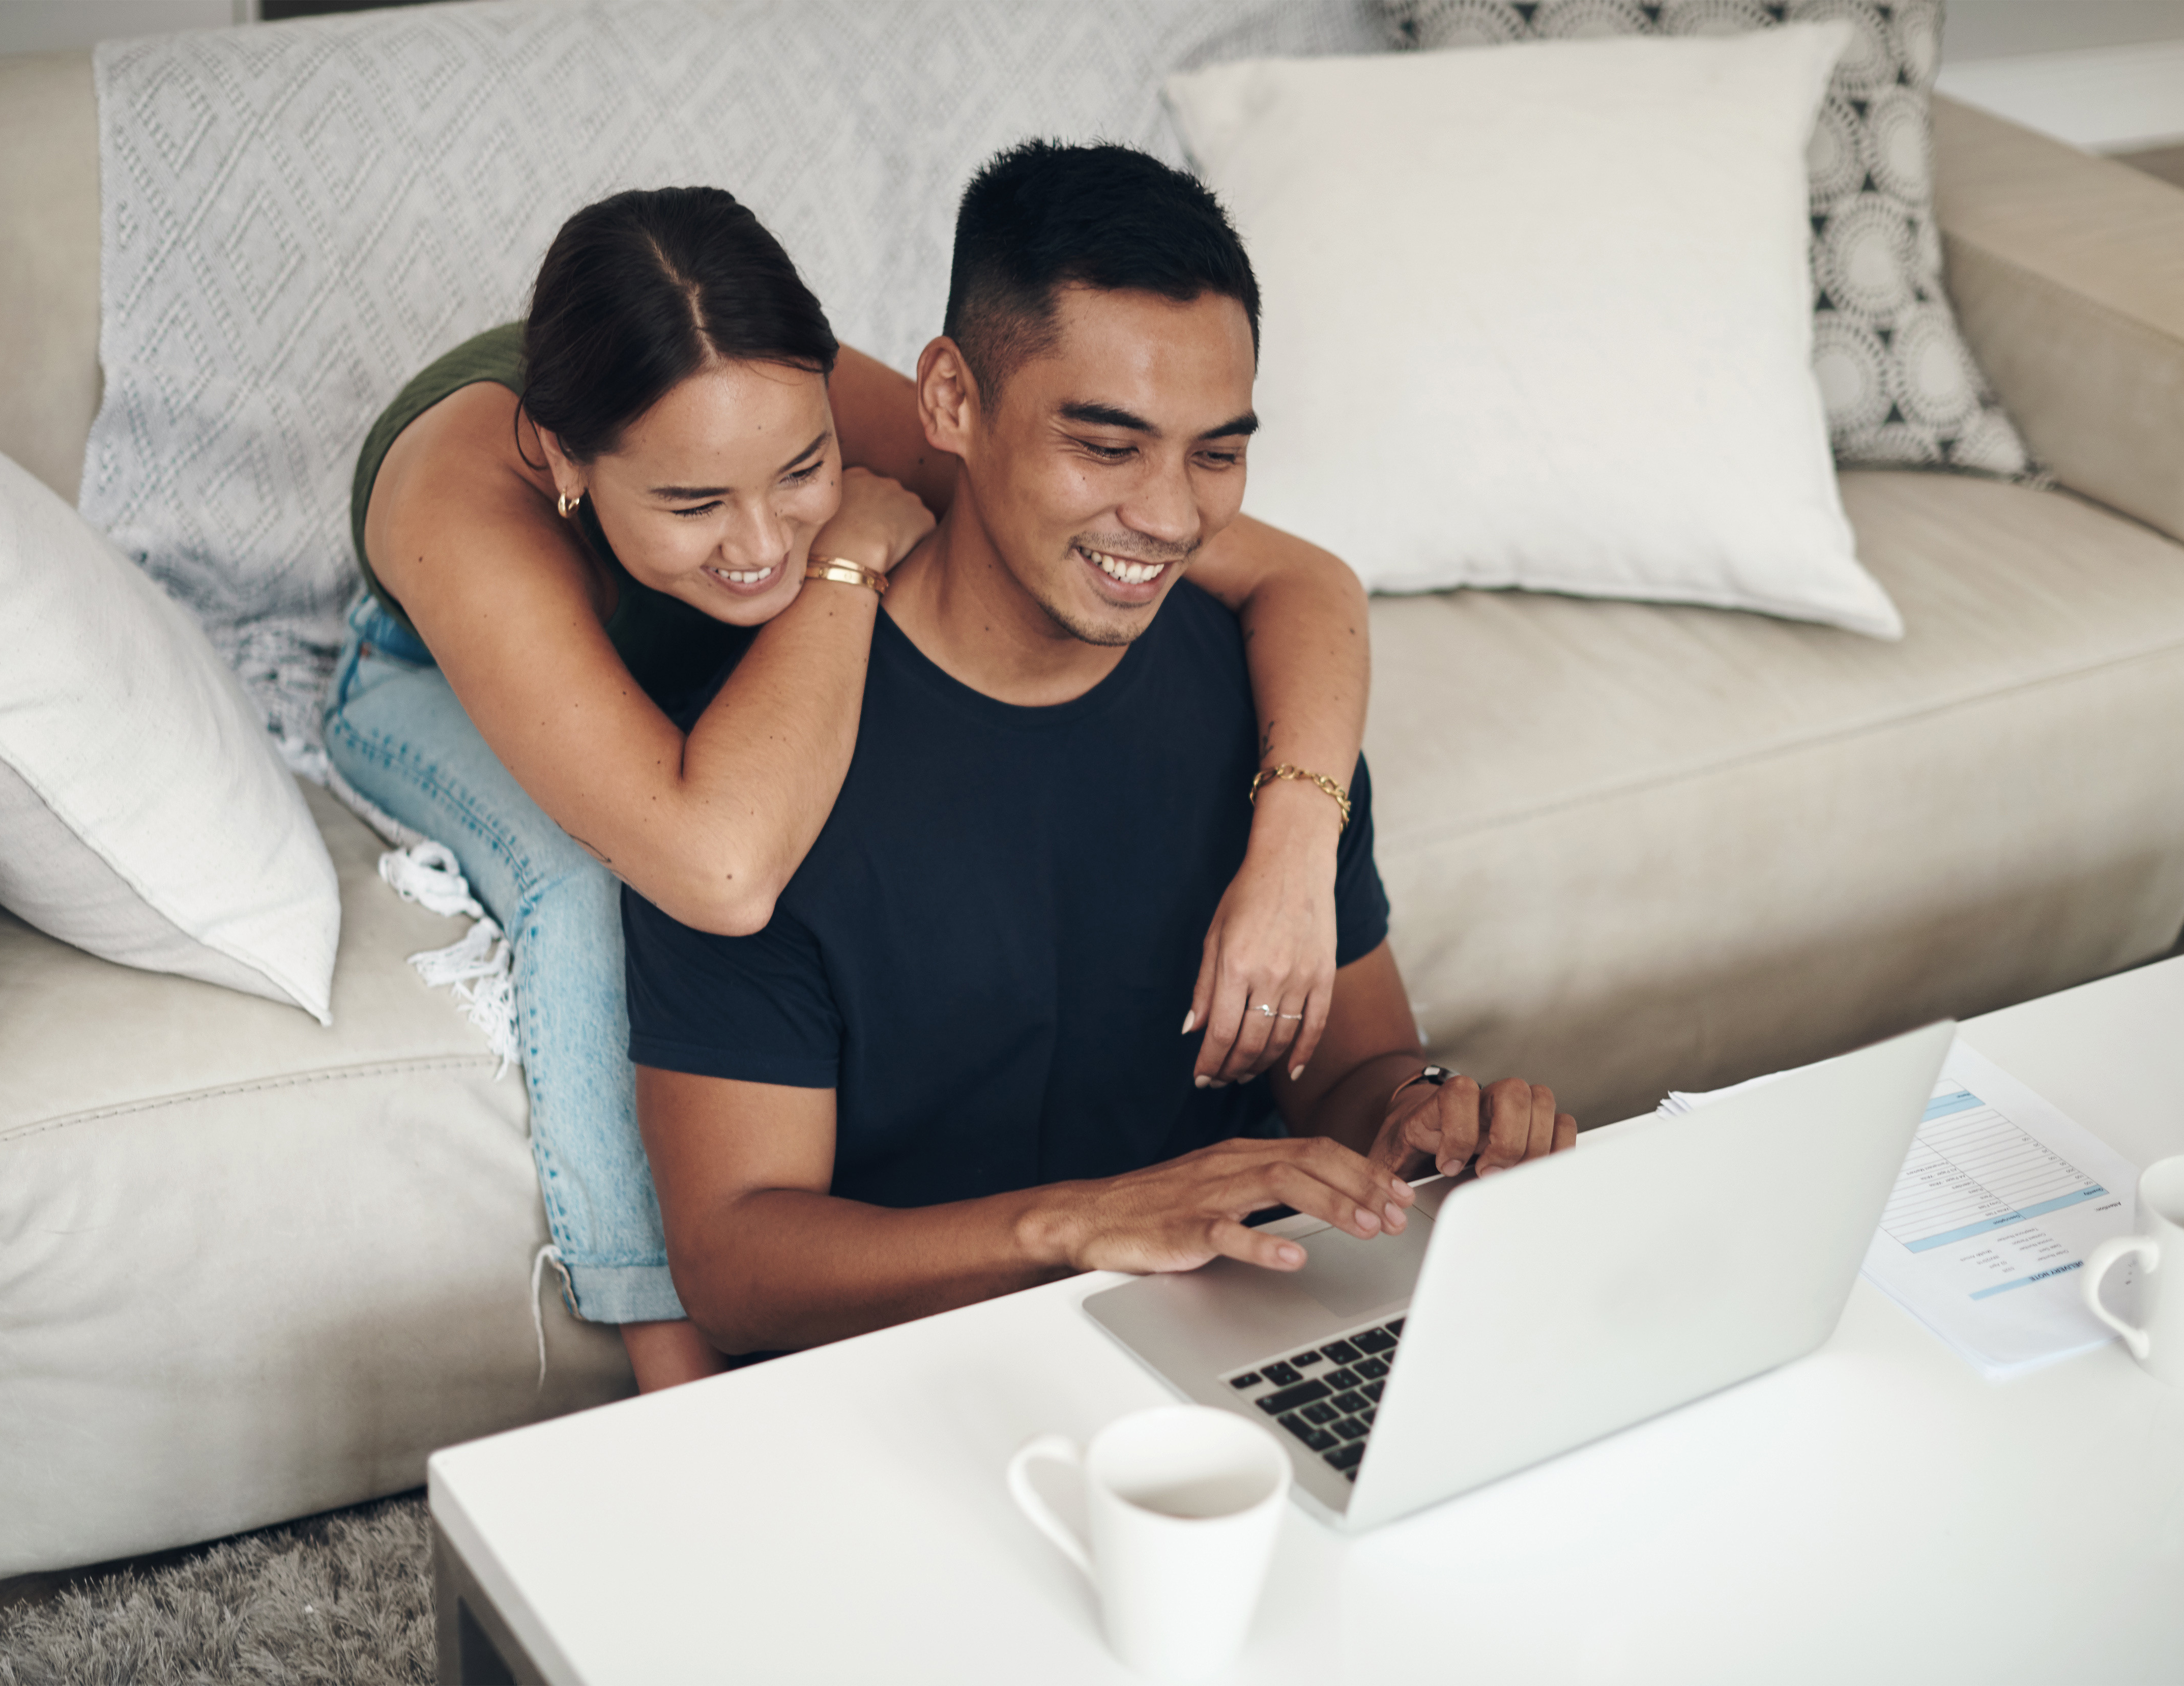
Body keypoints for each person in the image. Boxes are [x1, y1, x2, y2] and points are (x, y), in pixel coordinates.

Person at [323, 185, 1375, 1393]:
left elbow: (1306, 582)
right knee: (591, 884)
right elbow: (715, 870)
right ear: (566, 461)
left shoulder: (795, 387)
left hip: (690, 617)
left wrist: (1293, 849)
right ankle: (676, 1387)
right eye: (694, 502)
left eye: (802, 469)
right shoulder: (472, 509)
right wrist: (844, 555)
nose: (758, 538)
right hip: (423, 679)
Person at [625, 142, 1575, 1359]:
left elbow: (1351, 1072)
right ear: (953, 402)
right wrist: (1078, 1224)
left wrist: (1421, 1125)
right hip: (910, 1377)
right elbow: (738, 1266)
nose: (1173, 517)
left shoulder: (1273, 715)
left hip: (1234, 1337)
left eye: (1217, 453)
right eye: (1108, 446)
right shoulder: (758, 778)